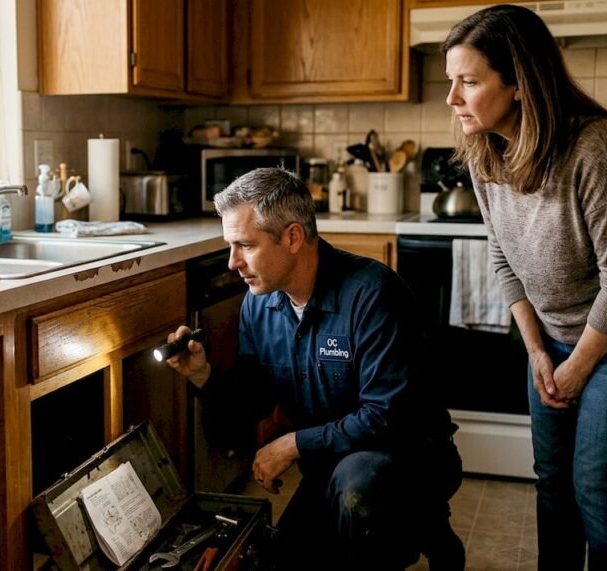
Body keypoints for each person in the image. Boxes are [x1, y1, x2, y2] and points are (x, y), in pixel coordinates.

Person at [442, 5, 607, 570]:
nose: (453, 98)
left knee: (596, 487)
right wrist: (536, 352)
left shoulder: (596, 148)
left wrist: (573, 369)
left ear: (520, 84)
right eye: (452, 81)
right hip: (551, 333)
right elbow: (504, 259)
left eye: (470, 82)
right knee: (552, 481)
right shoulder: (484, 153)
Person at [164, 167, 465, 569]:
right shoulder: (259, 302)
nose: (233, 262)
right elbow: (254, 399)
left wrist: (291, 445)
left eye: (245, 246)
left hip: (407, 459)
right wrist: (202, 375)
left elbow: (386, 417)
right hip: (330, 467)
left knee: (359, 504)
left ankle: (429, 528)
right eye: (230, 246)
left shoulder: (373, 293)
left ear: (292, 237)